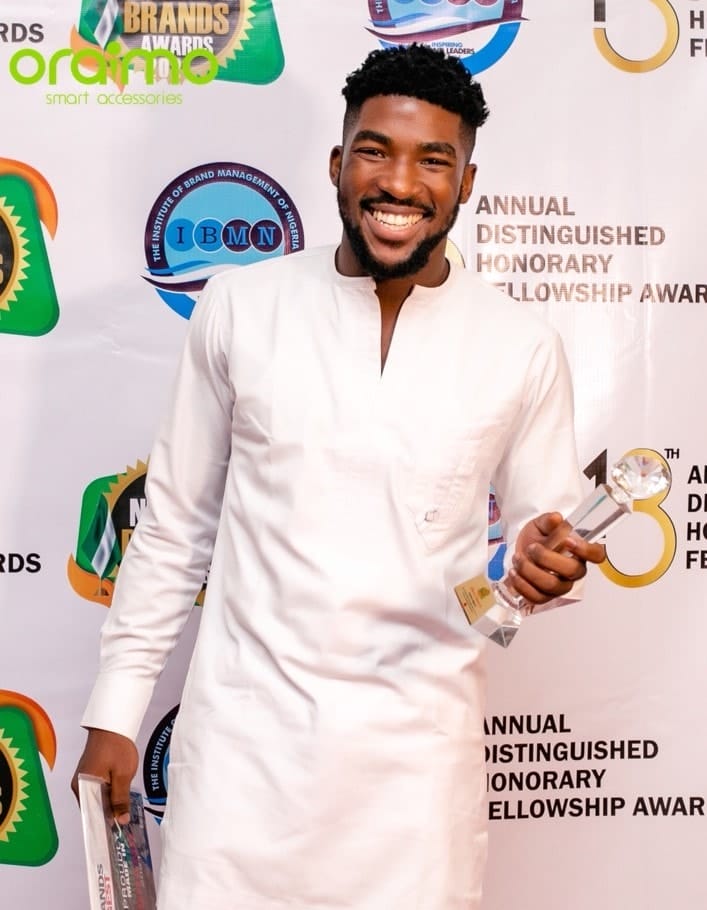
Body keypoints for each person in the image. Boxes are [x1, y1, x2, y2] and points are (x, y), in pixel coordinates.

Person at [73, 44, 605, 910]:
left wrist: (539, 572)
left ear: (467, 182)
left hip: (417, 785)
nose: (399, 182)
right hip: (240, 770)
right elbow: (173, 529)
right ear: (335, 163)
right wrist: (115, 713)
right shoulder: (241, 307)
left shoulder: (521, 346)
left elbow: (535, 547)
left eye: (433, 160)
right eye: (374, 151)